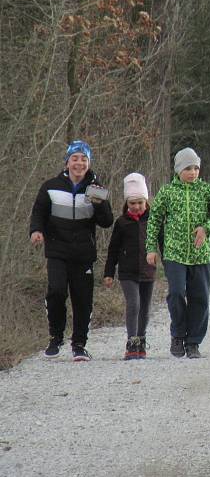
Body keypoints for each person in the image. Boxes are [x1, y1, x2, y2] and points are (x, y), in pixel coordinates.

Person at [29, 140, 114, 361]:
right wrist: (36, 231)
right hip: (57, 250)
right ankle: (55, 338)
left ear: (89, 163)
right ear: (67, 162)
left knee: (82, 299)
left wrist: (97, 198)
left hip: (83, 253)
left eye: (83, 159)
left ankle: (79, 345)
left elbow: (106, 221)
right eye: (75, 159)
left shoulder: (96, 188)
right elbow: (38, 212)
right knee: (56, 291)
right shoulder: (50, 186)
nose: (79, 163)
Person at [146, 147, 210, 359]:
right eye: (188, 168)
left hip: (200, 254)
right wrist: (151, 248)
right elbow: (154, 220)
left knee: (199, 297)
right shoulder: (168, 192)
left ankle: (193, 342)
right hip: (174, 253)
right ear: (178, 170)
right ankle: (178, 334)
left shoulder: (206, 190)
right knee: (176, 293)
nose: (192, 173)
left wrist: (206, 228)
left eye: (196, 168)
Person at [103, 173, 156, 360]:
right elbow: (113, 249)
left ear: (146, 202)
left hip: (148, 270)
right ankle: (131, 341)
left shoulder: (153, 221)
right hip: (127, 272)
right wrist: (109, 272)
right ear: (127, 204)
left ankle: (141, 339)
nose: (136, 206)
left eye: (140, 202)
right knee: (134, 304)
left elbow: (162, 243)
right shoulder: (122, 222)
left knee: (145, 307)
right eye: (132, 203)